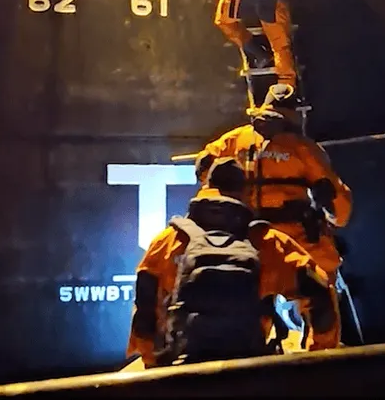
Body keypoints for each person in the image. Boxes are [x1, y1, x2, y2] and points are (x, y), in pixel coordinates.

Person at [127, 157, 336, 367]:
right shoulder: (266, 241)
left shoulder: (168, 240)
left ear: (206, 187)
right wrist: (319, 354)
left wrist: (153, 363)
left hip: (184, 371)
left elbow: (144, 309)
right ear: (244, 193)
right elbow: (318, 291)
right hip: (247, 371)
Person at [194, 84, 353, 349]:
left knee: (252, 300)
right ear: (293, 112)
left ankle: (254, 349)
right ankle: (323, 359)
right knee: (322, 287)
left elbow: (203, 166)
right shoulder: (304, 149)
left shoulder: (235, 140)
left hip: (249, 238)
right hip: (297, 240)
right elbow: (340, 206)